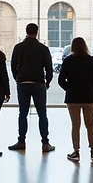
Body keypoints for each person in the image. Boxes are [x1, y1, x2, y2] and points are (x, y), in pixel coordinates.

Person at [8, 23, 55, 152]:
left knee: (22, 113)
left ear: (26, 31)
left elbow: (13, 66)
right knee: (42, 114)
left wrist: (17, 78)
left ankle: (21, 141)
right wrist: (47, 81)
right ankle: (45, 143)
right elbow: (49, 68)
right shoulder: (43, 49)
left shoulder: (18, 47)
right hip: (39, 83)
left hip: (23, 83)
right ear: (37, 32)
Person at [56, 37, 93, 161]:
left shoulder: (68, 61)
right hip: (89, 97)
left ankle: (76, 152)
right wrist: (91, 88)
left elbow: (61, 80)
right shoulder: (92, 61)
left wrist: (69, 89)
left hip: (73, 98)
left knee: (75, 125)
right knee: (90, 125)